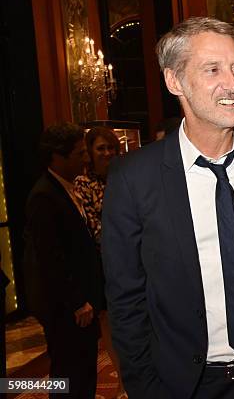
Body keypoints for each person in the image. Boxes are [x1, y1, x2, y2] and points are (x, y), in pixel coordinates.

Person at [101, 17, 234, 399]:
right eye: (213, 70)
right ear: (174, 81)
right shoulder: (134, 179)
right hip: (196, 385)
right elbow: (126, 301)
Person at [23, 122, 103, 399]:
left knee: (83, 371)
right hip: (67, 309)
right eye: (79, 153)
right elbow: (50, 259)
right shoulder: (44, 196)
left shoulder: (66, 188)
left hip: (82, 303)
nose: (85, 159)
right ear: (58, 157)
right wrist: (77, 301)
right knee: (69, 375)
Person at [74, 127, 126, 398]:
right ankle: (122, 380)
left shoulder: (125, 176)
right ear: (90, 153)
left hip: (135, 260)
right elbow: (93, 229)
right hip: (104, 264)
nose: (107, 153)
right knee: (111, 323)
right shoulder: (83, 184)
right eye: (100, 148)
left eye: (110, 148)